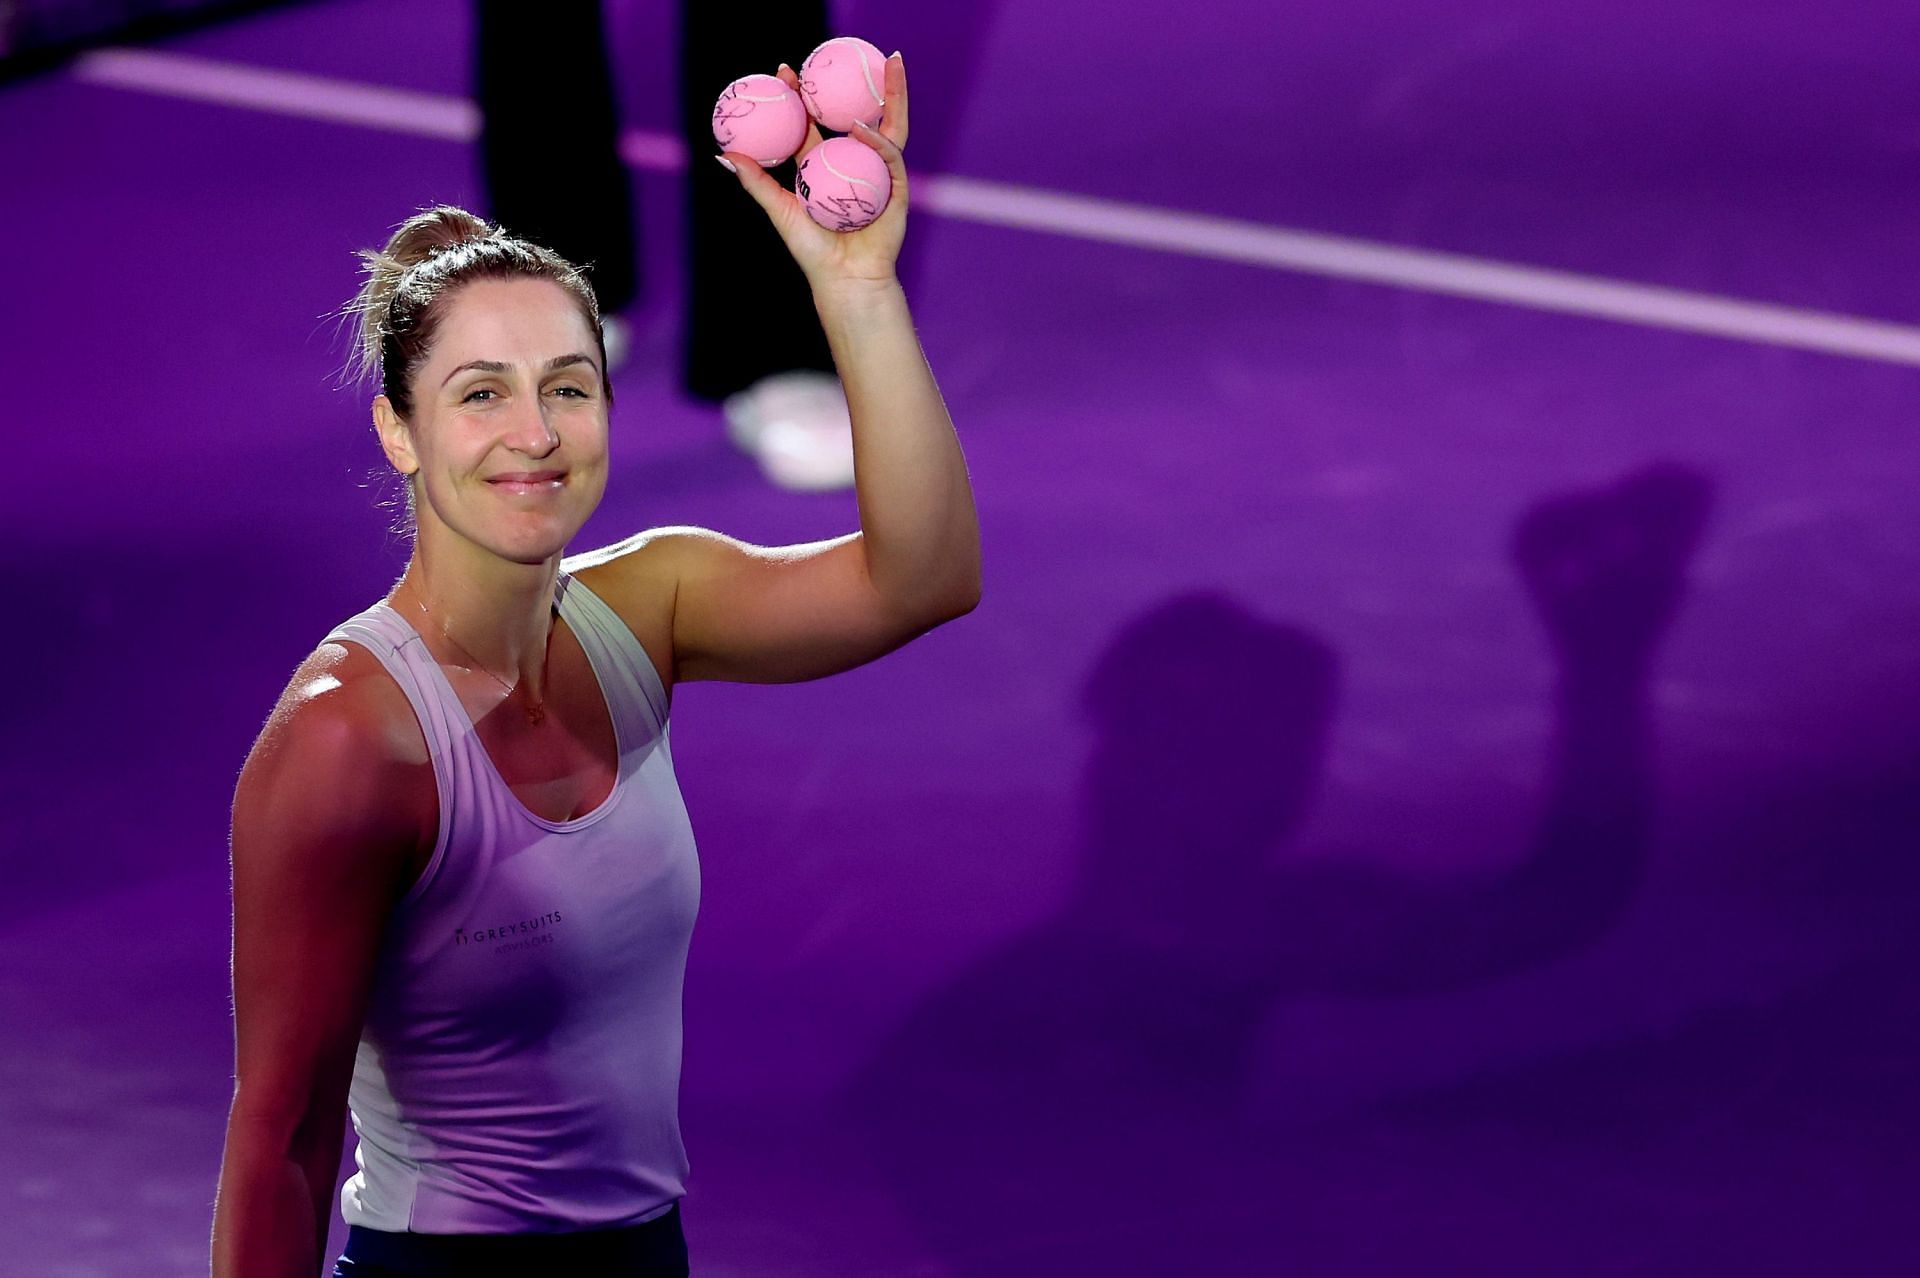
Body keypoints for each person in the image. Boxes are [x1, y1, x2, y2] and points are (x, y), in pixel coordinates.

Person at [210, 55, 979, 1276]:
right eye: (481, 395)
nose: (536, 434)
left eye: (569, 387)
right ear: (397, 432)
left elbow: (925, 578)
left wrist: (859, 289)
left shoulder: (652, 601)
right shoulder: (347, 742)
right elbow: (283, 1141)